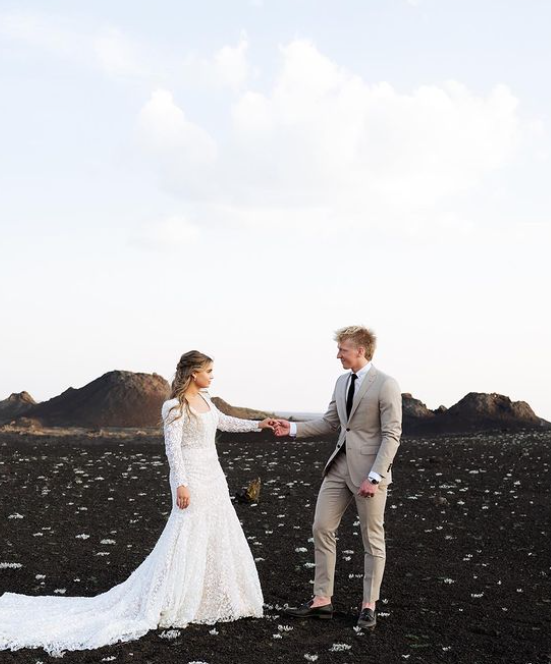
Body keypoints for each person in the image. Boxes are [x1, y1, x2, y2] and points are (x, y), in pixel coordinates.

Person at [0, 350, 275, 656]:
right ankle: (177, 597)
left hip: (214, 476)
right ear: (193, 373)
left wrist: (258, 424)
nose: (212, 376)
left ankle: (214, 596)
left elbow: (226, 422)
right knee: (186, 535)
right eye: (208, 371)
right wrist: (181, 483)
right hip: (191, 478)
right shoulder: (173, 407)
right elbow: (173, 450)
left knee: (218, 531)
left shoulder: (208, 402)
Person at [274, 326, 402, 630]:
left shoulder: (386, 384)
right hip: (339, 466)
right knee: (321, 526)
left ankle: (368, 605)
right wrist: (290, 429)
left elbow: (391, 434)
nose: (338, 355)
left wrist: (375, 476)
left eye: (343, 349)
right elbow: (331, 422)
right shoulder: (342, 381)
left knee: (372, 539)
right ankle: (322, 600)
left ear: (360, 350)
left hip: (370, 474)